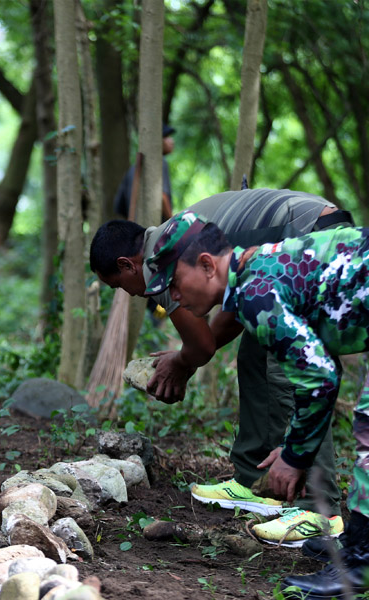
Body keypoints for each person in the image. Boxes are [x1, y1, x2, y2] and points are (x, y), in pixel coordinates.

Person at [89, 188, 354, 552]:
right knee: (255, 352)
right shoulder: (177, 245)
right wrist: (186, 359)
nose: (131, 294)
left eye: (119, 285)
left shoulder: (162, 259)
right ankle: (253, 478)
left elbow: (202, 345)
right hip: (312, 225)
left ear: (126, 265)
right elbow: (235, 319)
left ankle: (319, 510)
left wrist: (181, 363)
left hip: (309, 233)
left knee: (287, 368)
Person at [143, 211, 369, 599]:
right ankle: (360, 544)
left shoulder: (255, 293)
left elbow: (319, 377)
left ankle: (360, 563)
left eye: (176, 284)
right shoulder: (257, 268)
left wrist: (295, 457)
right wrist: (296, 446)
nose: (174, 298)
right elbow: (320, 368)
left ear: (207, 264)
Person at [113, 124, 176, 221]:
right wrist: (172, 220)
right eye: (166, 137)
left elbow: (119, 207)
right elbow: (162, 196)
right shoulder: (159, 162)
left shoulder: (132, 169)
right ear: (157, 141)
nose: (172, 141)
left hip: (137, 228)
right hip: (154, 229)